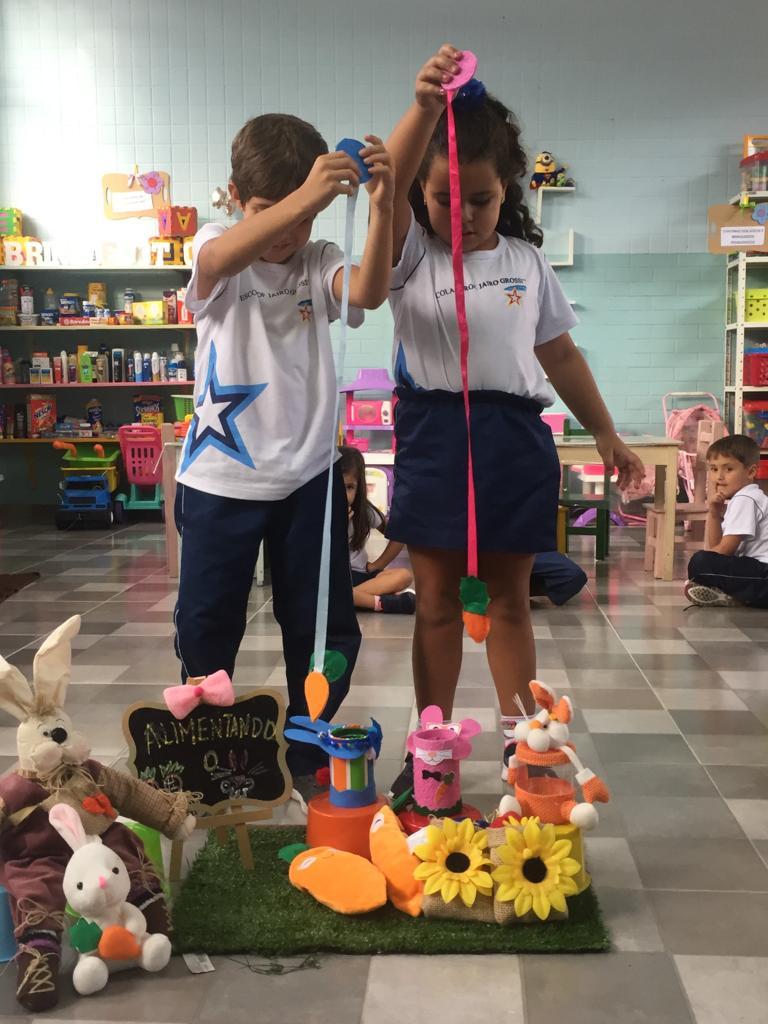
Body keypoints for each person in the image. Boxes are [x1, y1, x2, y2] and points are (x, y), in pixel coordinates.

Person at [385, 44, 643, 779]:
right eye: (445, 199)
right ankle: (431, 749)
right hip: (434, 436)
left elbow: (560, 355)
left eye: (482, 199)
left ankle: (522, 744)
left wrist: (606, 431)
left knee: (509, 602)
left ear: (508, 191)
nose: (463, 215)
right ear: (421, 194)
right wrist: (423, 108)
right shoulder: (408, 254)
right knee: (436, 601)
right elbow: (391, 182)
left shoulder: (526, 264)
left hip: (512, 440)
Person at [173, 114, 394, 787]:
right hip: (220, 478)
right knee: (207, 624)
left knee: (323, 627)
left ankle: (310, 745)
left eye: (305, 217)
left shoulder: (318, 257)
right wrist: (307, 196)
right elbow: (217, 261)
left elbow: (367, 291)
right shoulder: (216, 244)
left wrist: (381, 207)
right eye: (272, 210)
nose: (289, 232)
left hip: (308, 479)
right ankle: (207, 752)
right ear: (237, 197)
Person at [685, 434, 768, 607]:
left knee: (700, 562)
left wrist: (703, 567)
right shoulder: (746, 497)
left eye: (728, 469)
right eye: (714, 469)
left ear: (751, 472)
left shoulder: (745, 499)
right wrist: (714, 514)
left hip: (763, 575)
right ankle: (728, 595)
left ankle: (727, 594)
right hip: (758, 573)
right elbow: (718, 547)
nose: (719, 477)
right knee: (705, 562)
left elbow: (724, 550)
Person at [339, 445, 416, 614]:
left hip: (360, 576)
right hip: (333, 577)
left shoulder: (364, 511)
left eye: (349, 487)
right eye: (338, 487)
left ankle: (345, 599)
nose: (343, 495)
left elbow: (398, 536)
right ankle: (378, 602)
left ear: (359, 487)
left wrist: (377, 565)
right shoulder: (319, 513)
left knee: (404, 576)